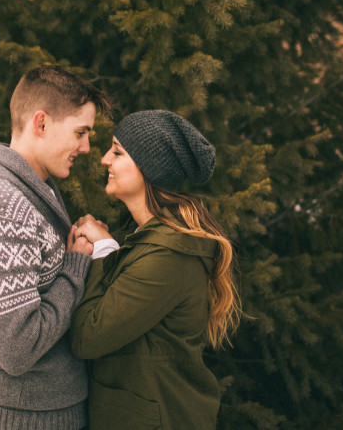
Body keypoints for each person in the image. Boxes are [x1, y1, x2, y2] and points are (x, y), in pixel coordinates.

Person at [0, 65, 112, 430]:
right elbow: (18, 349)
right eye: (80, 132)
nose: (87, 147)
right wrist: (75, 265)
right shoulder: (2, 208)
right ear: (41, 123)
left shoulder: (33, 194)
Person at [70, 110, 240, 430]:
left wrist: (104, 249)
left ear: (150, 170)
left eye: (118, 152)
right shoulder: (150, 240)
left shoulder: (169, 256)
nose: (105, 159)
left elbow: (88, 337)